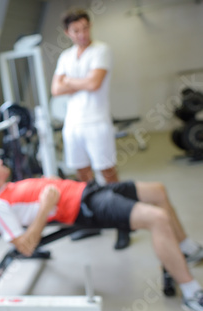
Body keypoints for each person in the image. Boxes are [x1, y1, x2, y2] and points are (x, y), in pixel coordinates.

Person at [0, 155, 203, 311]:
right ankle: (191, 293)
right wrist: (46, 208)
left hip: (88, 189)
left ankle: (186, 250)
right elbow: (25, 247)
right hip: (85, 206)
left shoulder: (12, 186)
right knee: (157, 218)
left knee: (158, 190)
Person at [51, 8, 130, 248]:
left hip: (97, 122)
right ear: (68, 32)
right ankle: (93, 222)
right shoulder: (65, 56)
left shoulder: (101, 50)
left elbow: (94, 83)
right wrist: (79, 82)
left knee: (107, 174)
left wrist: (70, 82)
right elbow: (56, 89)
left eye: (86, 28)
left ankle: (123, 225)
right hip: (73, 124)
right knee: (82, 177)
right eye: (77, 30)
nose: (83, 34)